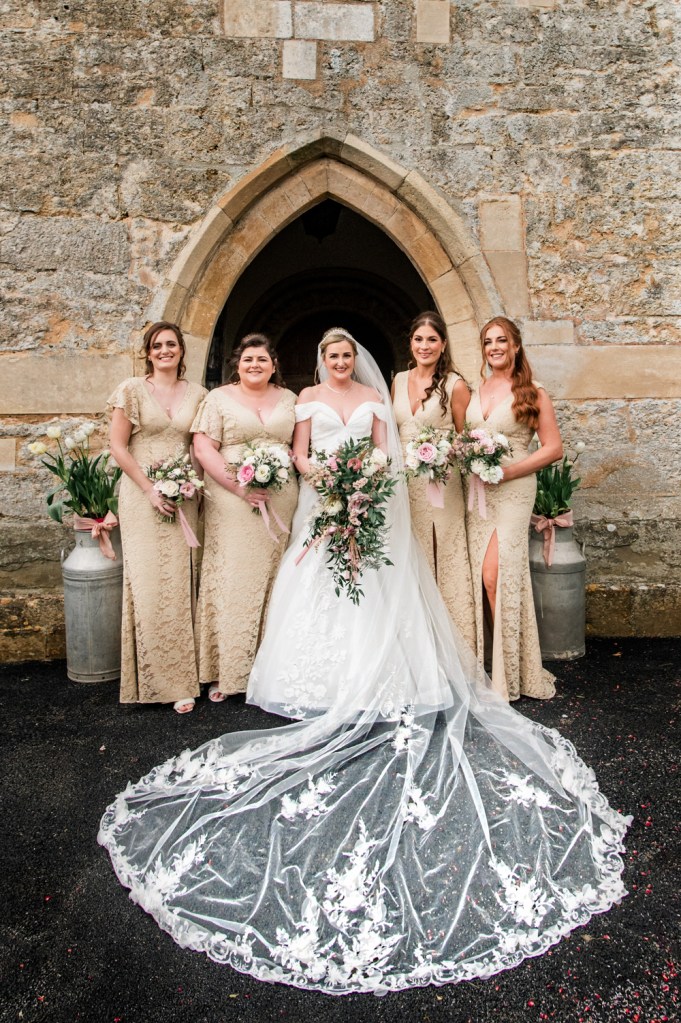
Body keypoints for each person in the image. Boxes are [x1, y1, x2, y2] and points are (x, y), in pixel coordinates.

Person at [99, 328, 630, 996]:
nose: (340, 362)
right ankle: (310, 675)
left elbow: (387, 450)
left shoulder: (377, 402)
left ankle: (403, 668)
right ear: (321, 362)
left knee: (379, 586)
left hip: (371, 499)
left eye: (348, 354)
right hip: (322, 498)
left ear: (358, 361)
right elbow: (298, 454)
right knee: (316, 588)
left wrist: (367, 482)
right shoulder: (307, 398)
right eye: (332, 355)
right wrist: (325, 477)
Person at [456, 316, 563, 702]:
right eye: (488, 342)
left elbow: (553, 448)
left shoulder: (533, 391)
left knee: (495, 574)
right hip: (478, 494)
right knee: (481, 577)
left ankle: (509, 672)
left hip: (514, 489)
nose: (495, 347)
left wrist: (507, 471)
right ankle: (493, 662)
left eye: (502, 340)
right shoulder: (473, 390)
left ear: (516, 346)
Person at [191, 334, 298, 701]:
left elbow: (301, 448)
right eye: (248, 359)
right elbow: (203, 447)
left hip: (281, 497)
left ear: (273, 365)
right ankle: (229, 669)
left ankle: (269, 669)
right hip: (232, 498)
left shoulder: (290, 400)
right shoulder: (217, 399)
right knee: (235, 576)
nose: (255, 365)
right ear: (237, 364)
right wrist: (239, 487)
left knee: (277, 577)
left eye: (262, 360)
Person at [108, 321, 206, 713]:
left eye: (172, 344)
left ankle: (184, 679)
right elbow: (117, 446)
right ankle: (153, 681)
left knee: (180, 582)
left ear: (182, 351)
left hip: (184, 498)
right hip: (141, 496)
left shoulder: (199, 394)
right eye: (157, 345)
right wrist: (149, 488)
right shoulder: (131, 391)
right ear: (148, 353)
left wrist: (194, 487)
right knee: (149, 582)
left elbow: (198, 448)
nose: (165, 350)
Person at [392, 312, 476, 649]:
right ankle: (416, 646)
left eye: (432, 340)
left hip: (441, 484)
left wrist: (441, 454)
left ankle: (456, 647)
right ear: (410, 343)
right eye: (419, 339)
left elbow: (465, 439)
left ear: (443, 345)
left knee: (445, 555)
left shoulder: (455, 385)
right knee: (411, 556)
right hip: (403, 485)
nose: (424, 346)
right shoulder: (397, 380)